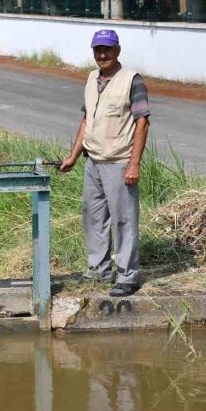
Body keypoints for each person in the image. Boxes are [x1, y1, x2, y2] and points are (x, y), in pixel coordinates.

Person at [58, 29, 151, 298]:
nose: (102, 54)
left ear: (117, 51)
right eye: (98, 50)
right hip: (93, 162)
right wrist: (74, 156)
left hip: (120, 162)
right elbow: (87, 120)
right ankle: (99, 269)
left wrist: (134, 164)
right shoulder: (91, 79)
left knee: (123, 221)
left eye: (107, 49)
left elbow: (142, 122)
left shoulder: (132, 80)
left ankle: (127, 276)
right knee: (93, 217)